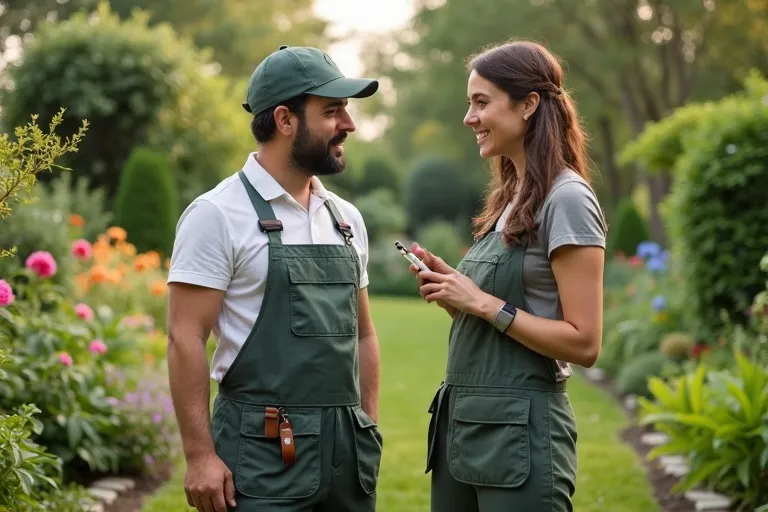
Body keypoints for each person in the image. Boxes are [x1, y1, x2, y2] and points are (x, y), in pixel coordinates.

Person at [166, 45, 384, 512]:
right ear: (285, 120)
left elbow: (364, 334)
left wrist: (367, 427)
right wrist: (200, 456)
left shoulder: (346, 219)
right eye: (332, 111)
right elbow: (185, 337)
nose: (349, 124)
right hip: (260, 455)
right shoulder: (216, 214)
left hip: (348, 460)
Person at [412, 40, 607, 512]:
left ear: (528, 104)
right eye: (470, 104)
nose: (469, 118)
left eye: (481, 103)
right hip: (465, 427)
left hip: (522, 438)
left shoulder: (567, 199)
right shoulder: (510, 198)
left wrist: (483, 303)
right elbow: (503, 323)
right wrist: (457, 296)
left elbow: (585, 343)